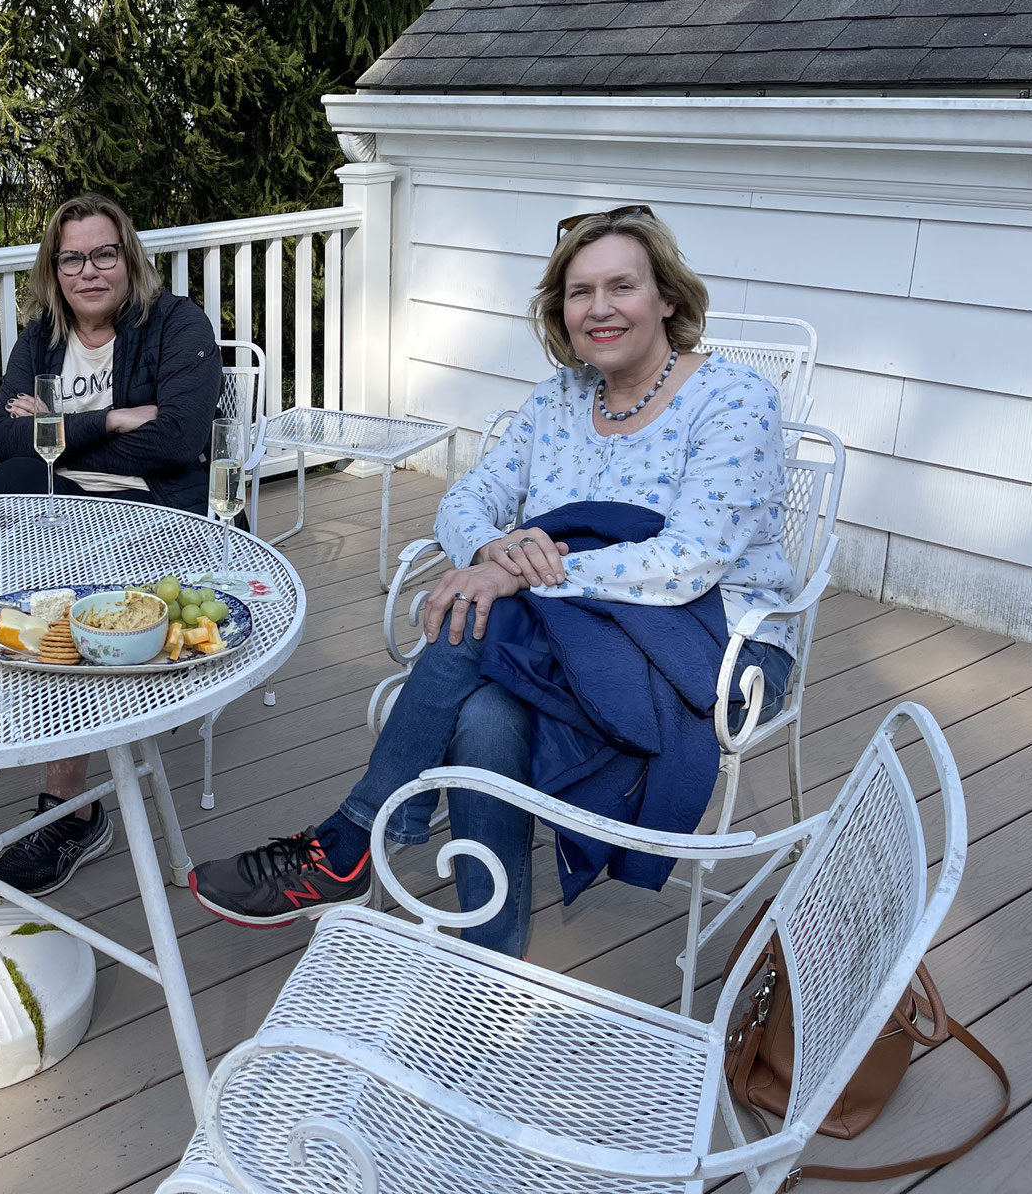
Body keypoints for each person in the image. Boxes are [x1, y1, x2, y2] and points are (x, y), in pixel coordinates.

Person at [189, 206, 800, 956]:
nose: (599, 308)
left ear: (667, 297)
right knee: (484, 711)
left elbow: (692, 560)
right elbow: (466, 501)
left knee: (476, 616)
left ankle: (350, 841)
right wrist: (495, 550)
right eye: (580, 292)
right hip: (572, 623)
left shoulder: (735, 399)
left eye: (622, 287)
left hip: (719, 638)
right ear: (560, 310)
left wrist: (518, 579)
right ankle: (486, 963)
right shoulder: (558, 400)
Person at [0, 192, 223, 896]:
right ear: (54, 270)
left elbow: (179, 438)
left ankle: (72, 805)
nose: (89, 271)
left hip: (158, 519)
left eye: (103, 253)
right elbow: (2, 439)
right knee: (18, 480)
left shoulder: (177, 324)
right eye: (72, 258)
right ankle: (51, 725)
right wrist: (113, 416)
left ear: (128, 258)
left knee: (39, 517)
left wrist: (57, 427)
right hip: (60, 514)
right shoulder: (41, 338)